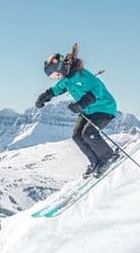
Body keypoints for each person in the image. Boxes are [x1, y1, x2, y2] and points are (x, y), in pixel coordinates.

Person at [37, 45, 121, 178]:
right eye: (52, 78)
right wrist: (44, 96)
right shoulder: (66, 79)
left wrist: (80, 104)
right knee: (76, 136)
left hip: (104, 107)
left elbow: (96, 90)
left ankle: (108, 157)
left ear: (60, 69)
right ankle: (95, 161)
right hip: (87, 110)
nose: (56, 79)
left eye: (54, 75)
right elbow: (57, 88)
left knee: (89, 133)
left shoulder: (82, 75)